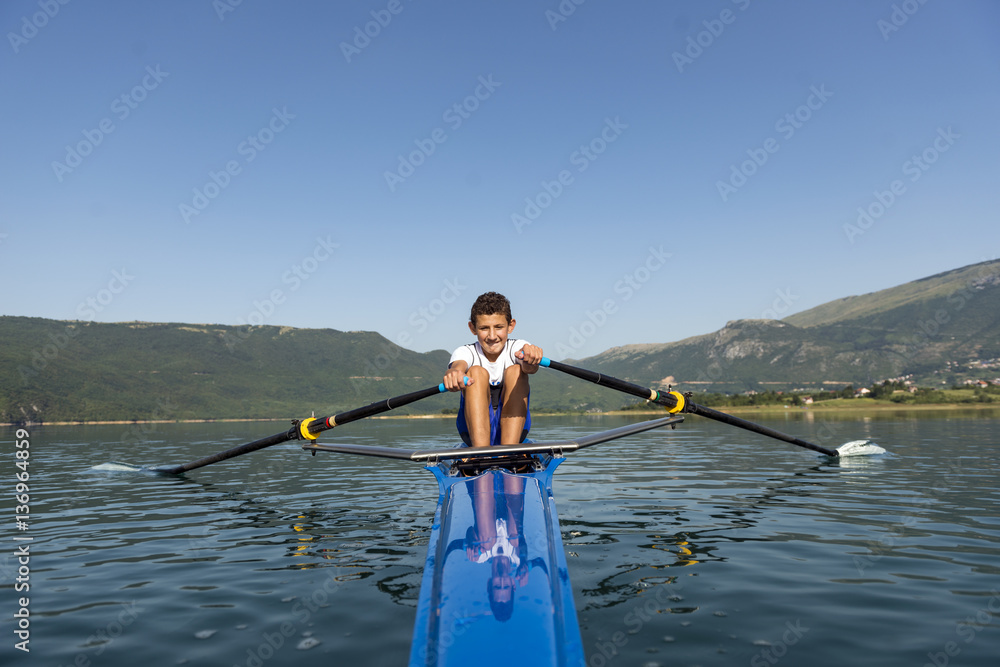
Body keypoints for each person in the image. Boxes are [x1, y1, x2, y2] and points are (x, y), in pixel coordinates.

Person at [443, 292, 543, 448]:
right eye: (484, 328)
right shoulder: (465, 352)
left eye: (498, 327)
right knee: (476, 371)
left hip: (516, 432)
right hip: (471, 433)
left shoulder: (518, 347)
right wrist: (454, 374)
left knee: (516, 371)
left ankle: (508, 451)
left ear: (511, 325)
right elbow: (457, 367)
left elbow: (529, 368)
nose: (491, 336)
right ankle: (480, 453)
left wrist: (531, 359)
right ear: (472, 328)